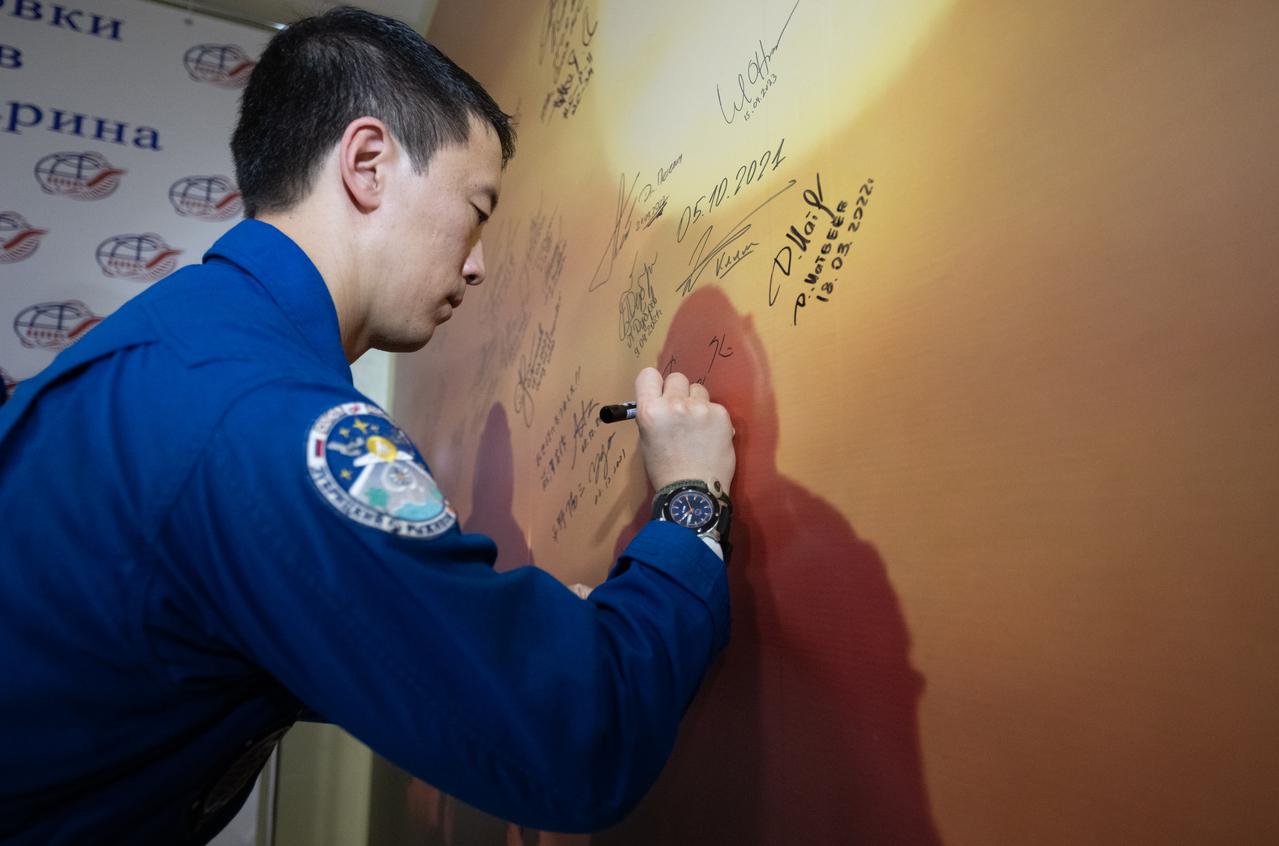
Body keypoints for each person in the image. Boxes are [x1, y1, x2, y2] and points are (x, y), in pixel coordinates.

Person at [0, 7, 736, 844]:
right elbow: (576, 741)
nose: (478, 262)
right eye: (477, 207)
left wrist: (451, 624)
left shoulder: (187, 345)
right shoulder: (271, 417)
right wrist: (690, 505)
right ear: (369, 164)